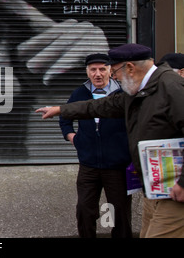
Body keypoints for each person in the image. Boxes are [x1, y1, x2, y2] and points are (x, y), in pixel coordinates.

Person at [36, 43, 184, 238]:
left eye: (113, 71)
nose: (113, 77)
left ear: (130, 68)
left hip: (175, 189)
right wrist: (61, 110)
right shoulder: (142, 89)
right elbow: (103, 105)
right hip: (157, 187)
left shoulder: (171, 86)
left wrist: (183, 183)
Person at [59, 53, 132, 238]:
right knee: (84, 209)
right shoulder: (80, 93)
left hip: (117, 166)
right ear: (87, 72)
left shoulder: (124, 92)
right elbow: (65, 116)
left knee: (119, 212)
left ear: (110, 71)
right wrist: (72, 137)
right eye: (93, 70)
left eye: (102, 69)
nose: (97, 74)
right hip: (88, 164)